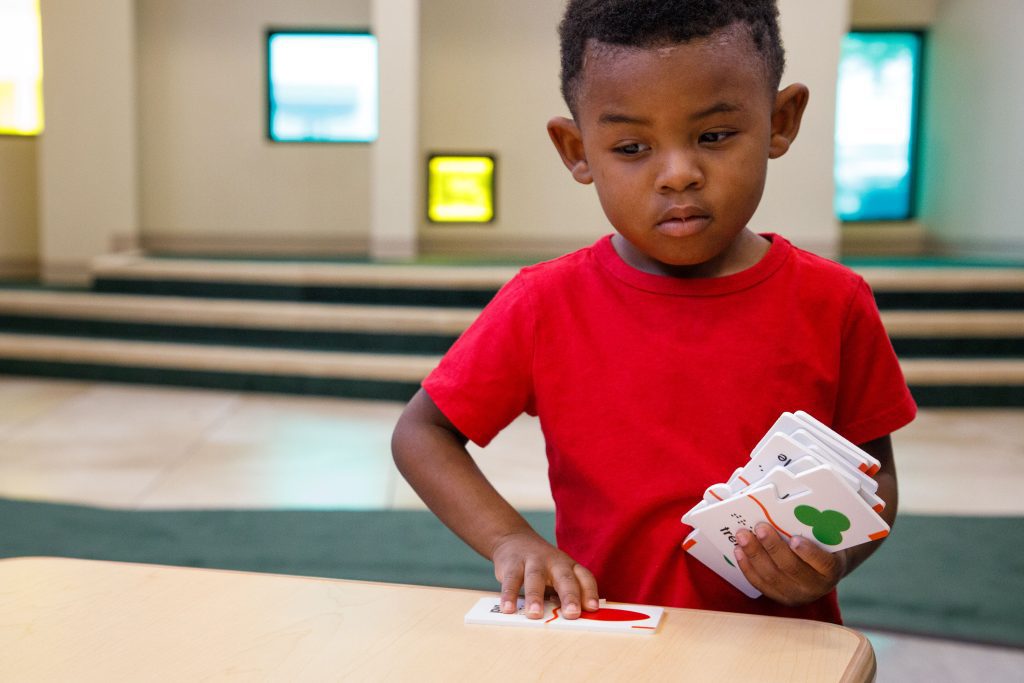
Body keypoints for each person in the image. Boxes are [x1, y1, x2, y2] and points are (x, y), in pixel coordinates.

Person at [392, 0, 916, 625]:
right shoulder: (544, 303)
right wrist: (511, 540)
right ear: (576, 150)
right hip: (609, 646)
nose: (679, 174)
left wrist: (833, 557)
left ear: (780, 121)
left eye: (714, 136)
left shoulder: (834, 302)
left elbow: (872, 474)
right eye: (633, 146)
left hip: (784, 652)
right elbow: (422, 433)